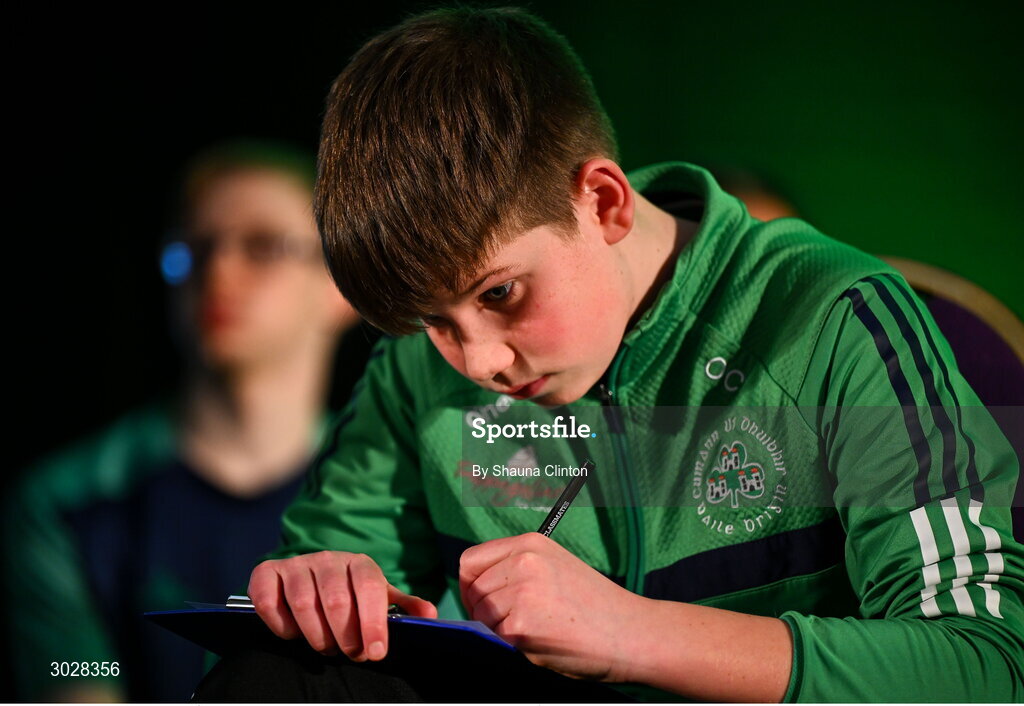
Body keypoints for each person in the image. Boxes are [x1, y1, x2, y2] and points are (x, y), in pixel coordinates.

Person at [197, 9, 1024, 702]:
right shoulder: (418, 369)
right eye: (429, 321)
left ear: (602, 201)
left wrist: (628, 632)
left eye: (499, 294)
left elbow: (987, 666)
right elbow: (303, 597)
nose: (477, 362)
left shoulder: (833, 316)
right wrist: (321, 591)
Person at [2, 141, 363, 702]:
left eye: (263, 246)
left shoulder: (402, 496)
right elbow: (77, 685)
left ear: (344, 286)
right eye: (193, 248)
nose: (218, 269)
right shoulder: (69, 505)